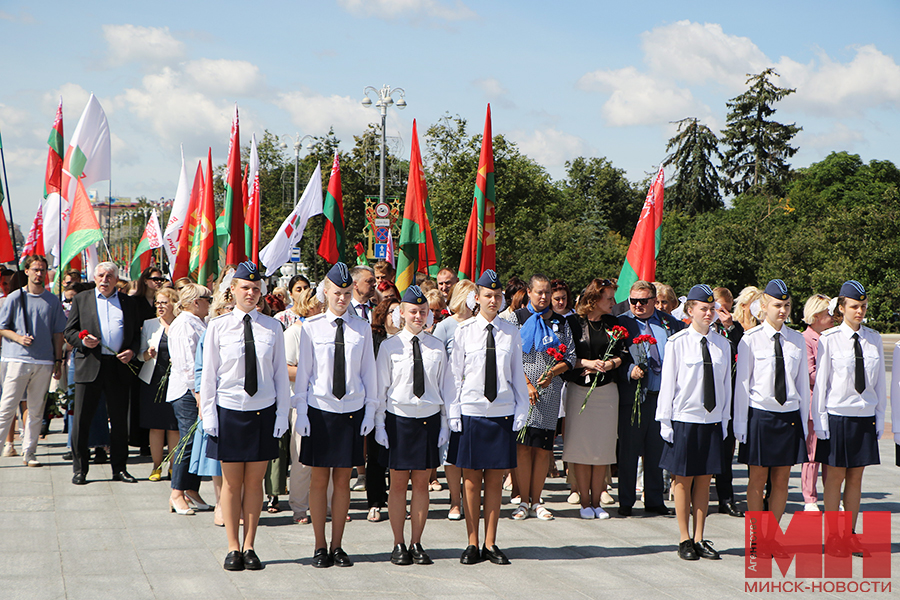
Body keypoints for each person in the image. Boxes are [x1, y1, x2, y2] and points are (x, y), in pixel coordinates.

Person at [200, 261, 291, 571]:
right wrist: (208, 415)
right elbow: (209, 376)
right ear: (233, 291)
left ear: (262, 291)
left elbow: (280, 376)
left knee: (255, 484)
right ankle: (232, 546)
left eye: (256, 288)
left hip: (263, 412)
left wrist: (282, 415)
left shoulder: (273, 327)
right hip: (229, 410)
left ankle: (250, 545)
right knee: (231, 484)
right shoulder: (218, 326)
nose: (250, 293)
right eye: (245, 288)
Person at [294, 262, 378, 568]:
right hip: (320, 411)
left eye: (346, 293)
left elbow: (368, 372)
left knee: (343, 481)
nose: (341, 299)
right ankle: (319, 546)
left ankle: (338, 545)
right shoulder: (312, 328)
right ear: (325, 292)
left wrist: (371, 409)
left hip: (351, 412)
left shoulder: (362, 328)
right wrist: (301, 411)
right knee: (319, 480)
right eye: (336, 293)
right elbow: (304, 374)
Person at [448, 270, 528, 565]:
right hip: (471, 412)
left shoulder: (511, 332)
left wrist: (521, 409)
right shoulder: (464, 331)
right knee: (470, 482)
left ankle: (491, 543)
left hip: (501, 413)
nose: (492, 300)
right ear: (476, 298)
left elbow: (517, 373)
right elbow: (454, 376)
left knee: (494, 481)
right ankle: (471, 542)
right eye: (487, 296)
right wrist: (453, 412)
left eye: (497, 296)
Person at [375, 286, 453, 565]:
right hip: (398, 419)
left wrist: (445, 423)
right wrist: (380, 424)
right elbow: (380, 389)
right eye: (413, 311)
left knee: (421, 483)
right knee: (397, 484)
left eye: (422, 311)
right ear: (402, 314)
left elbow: (445, 387)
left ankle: (416, 542)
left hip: (428, 420)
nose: (418, 316)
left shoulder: (437, 347)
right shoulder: (389, 346)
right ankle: (398, 543)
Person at [657, 284, 732, 561]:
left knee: (704, 480)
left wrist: (724, 420)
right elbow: (669, 386)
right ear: (690, 311)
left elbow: (726, 387)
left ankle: (700, 537)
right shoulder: (677, 343)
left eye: (712, 309)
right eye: (703, 308)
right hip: (685, 419)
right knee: (682, 480)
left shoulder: (723, 344)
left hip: (711, 420)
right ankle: (683, 538)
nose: (709, 313)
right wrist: (665, 421)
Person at [812, 280, 885, 557]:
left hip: (864, 415)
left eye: (863, 307)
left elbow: (877, 383)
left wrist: (879, 415)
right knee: (835, 478)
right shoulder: (829, 339)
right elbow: (822, 384)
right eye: (854, 306)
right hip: (838, 415)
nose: (860, 311)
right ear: (841, 308)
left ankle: (849, 534)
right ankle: (832, 536)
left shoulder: (873, 338)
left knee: (856, 478)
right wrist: (820, 421)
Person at [734, 280, 809, 539]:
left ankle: (772, 535)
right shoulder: (750, 340)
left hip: (788, 416)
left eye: (787, 305)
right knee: (756, 480)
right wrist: (740, 425)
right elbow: (742, 385)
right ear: (763, 306)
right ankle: (756, 536)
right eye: (777, 305)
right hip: (760, 415)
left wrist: (805, 422)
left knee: (781, 480)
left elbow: (801, 387)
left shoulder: (796, 340)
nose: (783, 310)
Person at [504, 274, 574, 522]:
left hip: (549, 392)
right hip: (522, 393)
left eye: (547, 293)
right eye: (539, 292)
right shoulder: (516, 319)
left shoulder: (561, 322)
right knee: (523, 447)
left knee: (543, 449)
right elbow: (508, 355)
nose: (543, 297)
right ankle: (522, 500)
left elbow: (571, 358)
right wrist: (526, 384)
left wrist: (552, 372)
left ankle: (537, 500)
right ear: (529, 293)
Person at [65, 262, 142, 485]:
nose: (105, 280)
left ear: (117, 279)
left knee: (119, 422)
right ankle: (80, 469)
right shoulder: (82, 299)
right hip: (90, 365)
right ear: (94, 277)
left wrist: (132, 351)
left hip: (118, 366)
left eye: (110, 276)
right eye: (101, 275)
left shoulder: (128, 302)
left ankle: (119, 468)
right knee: (82, 420)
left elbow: (136, 334)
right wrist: (82, 340)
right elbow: (69, 331)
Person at [617, 281, 685, 516]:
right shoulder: (621, 324)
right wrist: (628, 371)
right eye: (633, 301)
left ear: (654, 301)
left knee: (657, 451)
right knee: (629, 451)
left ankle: (654, 498)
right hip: (634, 397)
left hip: (663, 398)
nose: (637, 305)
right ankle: (626, 500)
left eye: (643, 301)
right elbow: (613, 358)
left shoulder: (669, 324)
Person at [563, 279, 627, 519]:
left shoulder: (614, 323)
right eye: (609, 298)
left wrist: (609, 364)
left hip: (607, 391)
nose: (613, 303)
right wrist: (587, 363)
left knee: (602, 446)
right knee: (581, 447)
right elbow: (565, 356)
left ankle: (599, 500)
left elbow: (622, 354)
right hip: (579, 390)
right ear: (594, 299)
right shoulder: (572, 323)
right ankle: (584, 501)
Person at [0, 255, 66, 467]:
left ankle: (29, 452)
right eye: (35, 269)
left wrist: (58, 360)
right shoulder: (14, 297)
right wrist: (18, 337)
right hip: (16, 359)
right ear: (26, 271)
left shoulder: (52, 300)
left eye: (42, 270)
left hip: (44, 361)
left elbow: (58, 333)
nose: (39, 274)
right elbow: (2, 327)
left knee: (37, 409)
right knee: (7, 407)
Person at [431, 279, 477, 519]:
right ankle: (455, 501)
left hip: (476, 397)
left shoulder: (480, 325)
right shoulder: (446, 326)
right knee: (450, 452)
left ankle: (471, 498)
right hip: (450, 397)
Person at [167, 283, 213, 516]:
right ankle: (176, 492)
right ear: (196, 302)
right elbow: (186, 363)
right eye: (208, 298)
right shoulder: (184, 324)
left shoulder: (197, 322)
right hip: (187, 391)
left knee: (197, 441)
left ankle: (191, 489)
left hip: (196, 390)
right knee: (188, 441)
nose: (211, 302)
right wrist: (197, 393)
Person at [286, 289, 324, 525]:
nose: (323, 308)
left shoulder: (325, 331)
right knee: (301, 459)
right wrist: (314, 374)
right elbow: (285, 368)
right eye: (319, 304)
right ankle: (299, 506)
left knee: (327, 459)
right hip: (301, 404)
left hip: (327, 403)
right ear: (307, 306)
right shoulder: (294, 333)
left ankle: (328, 504)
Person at [138, 286, 180, 481]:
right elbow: (140, 354)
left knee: (173, 427)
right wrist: (147, 354)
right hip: (153, 380)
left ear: (174, 304)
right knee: (156, 427)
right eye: (158, 302)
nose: (160, 306)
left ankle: (173, 466)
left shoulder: (182, 324)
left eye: (164, 302)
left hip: (176, 380)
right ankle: (156, 466)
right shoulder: (149, 324)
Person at [364, 298, 401, 522]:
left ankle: (396, 501)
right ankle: (375, 502)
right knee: (376, 457)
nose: (397, 317)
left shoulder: (408, 340)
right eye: (392, 313)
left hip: (400, 406)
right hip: (378, 403)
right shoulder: (374, 339)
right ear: (383, 315)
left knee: (398, 458)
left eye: (400, 312)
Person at [712, 286, 744, 518]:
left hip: (729, 397)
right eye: (713, 306)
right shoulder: (699, 327)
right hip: (706, 396)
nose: (716, 312)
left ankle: (727, 499)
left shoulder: (734, 328)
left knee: (725, 452)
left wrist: (729, 327)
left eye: (721, 307)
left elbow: (740, 350)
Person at [801, 293, 832, 511]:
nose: (832, 317)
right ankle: (810, 499)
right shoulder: (806, 339)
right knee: (811, 455)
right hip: (814, 404)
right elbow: (809, 373)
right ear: (815, 315)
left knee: (830, 457)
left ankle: (831, 495)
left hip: (832, 403)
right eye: (827, 313)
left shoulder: (831, 337)